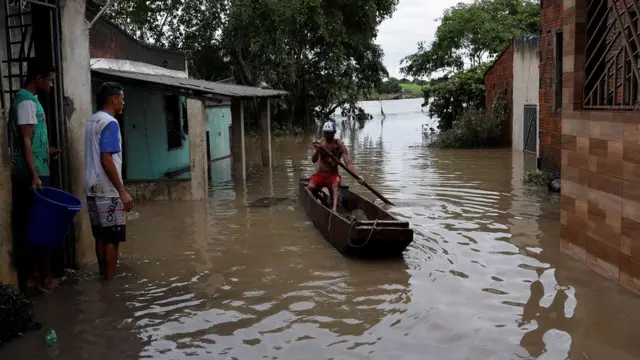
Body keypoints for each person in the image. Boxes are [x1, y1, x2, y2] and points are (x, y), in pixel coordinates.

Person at [8, 59, 59, 293]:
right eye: (48, 78)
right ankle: (36, 278)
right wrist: (35, 174)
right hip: (32, 175)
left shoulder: (32, 102)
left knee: (36, 224)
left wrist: (46, 151)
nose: (50, 83)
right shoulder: (26, 103)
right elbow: (25, 140)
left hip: (35, 169)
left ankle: (38, 277)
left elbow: (31, 140)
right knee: (37, 225)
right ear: (37, 78)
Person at [84, 82, 133, 281]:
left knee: (101, 236)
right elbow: (106, 159)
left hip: (91, 186)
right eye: (122, 98)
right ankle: (110, 284)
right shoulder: (110, 123)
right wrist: (121, 190)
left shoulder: (92, 121)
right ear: (113, 99)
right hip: (108, 189)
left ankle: (103, 277)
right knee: (112, 237)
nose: (123, 102)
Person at [307, 121, 363, 212]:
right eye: (325, 132)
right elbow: (313, 160)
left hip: (332, 175)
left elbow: (348, 163)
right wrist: (317, 150)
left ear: (334, 133)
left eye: (329, 133)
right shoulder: (321, 143)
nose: (326, 135)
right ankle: (321, 200)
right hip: (321, 173)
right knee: (311, 187)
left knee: (336, 185)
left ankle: (334, 210)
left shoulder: (340, 146)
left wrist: (357, 176)